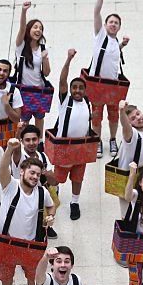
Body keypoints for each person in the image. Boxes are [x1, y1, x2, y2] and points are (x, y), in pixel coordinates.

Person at [0, 141, 55, 285]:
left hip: (30, 243)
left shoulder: (42, 192)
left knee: (32, 274)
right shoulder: (10, 186)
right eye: (32, 172)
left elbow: (51, 207)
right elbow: (3, 167)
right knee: (6, 274)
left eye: (38, 174)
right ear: (22, 172)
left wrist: (51, 217)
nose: (35, 177)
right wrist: (9, 149)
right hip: (7, 241)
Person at [50, 49, 94, 221]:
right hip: (64, 148)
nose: (77, 90)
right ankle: (54, 192)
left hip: (81, 149)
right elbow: (62, 80)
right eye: (74, 87)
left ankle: (74, 202)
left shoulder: (87, 103)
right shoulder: (65, 100)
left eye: (80, 88)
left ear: (84, 90)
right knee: (57, 177)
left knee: (78, 177)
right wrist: (68, 59)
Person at [89, 0, 130, 158]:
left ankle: (112, 139)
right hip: (98, 84)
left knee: (113, 115)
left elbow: (112, 58)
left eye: (116, 23)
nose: (113, 24)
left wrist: (122, 45)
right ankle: (97, 140)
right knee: (96, 115)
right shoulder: (101, 36)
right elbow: (96, 11)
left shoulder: (114, 42)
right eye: (110, 22)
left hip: (113, 86)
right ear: (105, 25)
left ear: (119, 27)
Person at [8, 124, 57, 237]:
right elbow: (14, 147)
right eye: (27, 140)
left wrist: (45, 172)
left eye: (34, 139)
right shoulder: (19, 156)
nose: (31, 143)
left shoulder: (43, 156)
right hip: (19, 196)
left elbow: (54, 182)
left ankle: (45, 227)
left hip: (37, 197)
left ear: (39, 140)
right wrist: (18, 130)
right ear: (22, 141)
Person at [13, 1, 51, 132]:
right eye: (35, 27)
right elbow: (22, 29)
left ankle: (39, 143)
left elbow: (46, 73)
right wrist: (24, 11)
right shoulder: (21, 46)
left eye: (40, 28)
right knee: (24, 120)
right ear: (29, 29)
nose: (38, 30)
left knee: (39, 119)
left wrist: (45, 59)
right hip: (24, 90)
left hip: (39, 90)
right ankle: (22, 144)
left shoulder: (42, 49)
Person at [116, 100, 143, 189]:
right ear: (129, 123)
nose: (138, 118)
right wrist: (122, 112)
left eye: (138, 114)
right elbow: (125, 125)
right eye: (133, 118)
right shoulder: (132, 134)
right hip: (128, 180)